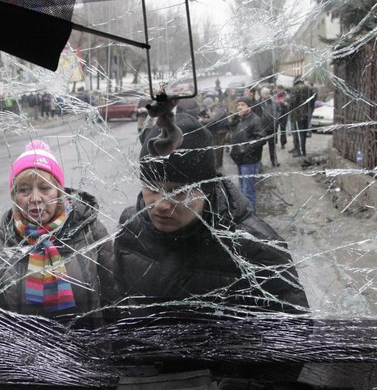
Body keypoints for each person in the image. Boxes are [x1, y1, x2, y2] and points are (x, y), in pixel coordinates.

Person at [111, 113, 309, 314]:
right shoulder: (130, 227)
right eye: (152, 188)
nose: (161, 205)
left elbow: (293, 332)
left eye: (178, 191)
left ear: (206, 189)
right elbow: (117, 305)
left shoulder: (256, 246)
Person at [0, 140, 113, 325]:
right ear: (14, 196)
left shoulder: (89, 231)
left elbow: (113, 298)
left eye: (45, 188)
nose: (35, 198)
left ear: (59, 192)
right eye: (24, 190)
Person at [229, 96, 265, 215]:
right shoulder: (242, 119)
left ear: (250, 106)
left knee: (248, 192)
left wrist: (245, 149)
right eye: (238, 105)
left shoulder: (255, 120)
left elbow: (262, 138)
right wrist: (234, 122)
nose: (239, 107)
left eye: (243, 105)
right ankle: (247, 215)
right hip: (241, 159)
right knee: (243, 191)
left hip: (249, 161)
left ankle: (252, 218)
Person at [288, 78, 317, 157]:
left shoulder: (295, 89)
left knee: (297, 132)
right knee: (303, 133)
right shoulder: (308, 88)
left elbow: (292, 102)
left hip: (297, 115)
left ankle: (300, 151)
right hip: (306, 114)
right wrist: (310, 110)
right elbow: (313, 101)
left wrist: (289, 109)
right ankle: (298, 148)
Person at [259, 87, 279, 167]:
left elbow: (278, 111)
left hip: (271, 127)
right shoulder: (259, 103)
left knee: (272, 145)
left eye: (268, 93)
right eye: (265, 94)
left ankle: (274, 161)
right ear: (262, 95)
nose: (267, 95)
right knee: (259, 146)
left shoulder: (274, 102)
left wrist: (277, 119)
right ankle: (259, 163)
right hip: (262, 128)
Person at [274, 85, 289, 149]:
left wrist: (284, 103)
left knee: (283, 129)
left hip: (284, 114)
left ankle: (283, 143)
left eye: (280, 90)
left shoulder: (286, 96)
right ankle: (274, 142)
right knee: (275, 129)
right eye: (278, 90)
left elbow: (288, 105)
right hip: (276, 114)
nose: (278, 91)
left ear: (282, 90)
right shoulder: (275, 96)